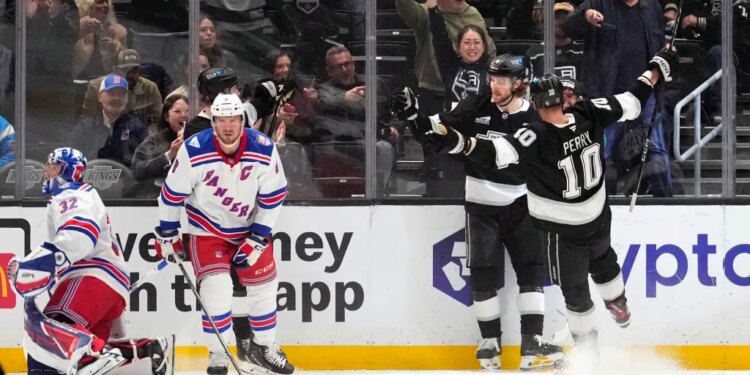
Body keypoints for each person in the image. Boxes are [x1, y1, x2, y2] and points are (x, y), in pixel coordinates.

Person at [420, 49, 677, 363]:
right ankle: (618, 303)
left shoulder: (536, 135)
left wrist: (456, 143)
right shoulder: (589, 111)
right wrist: (655, 70)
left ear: (539, 104)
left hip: (563, 229)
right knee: (604, 260)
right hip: (597, 217)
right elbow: (633, 100)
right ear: (565, 99)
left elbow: (494, 153)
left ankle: (588, 352)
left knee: (576, 294)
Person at [390, 55, 563, 371]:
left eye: (501, 81)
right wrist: (413, 116)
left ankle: (532, 344)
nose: (493, 86)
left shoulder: (536, 117)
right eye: (492, 79)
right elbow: (436, 131)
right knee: (483, 273)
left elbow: (534, 155)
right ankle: (489, 344)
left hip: (525, 204)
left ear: (519, 83)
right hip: (482, 205)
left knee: (532, 271)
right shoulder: (474, 105)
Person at [154, 93, 294, 375]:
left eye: (233, 120)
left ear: (242, 121)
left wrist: (256, 239)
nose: (228, 126)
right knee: (217, 289)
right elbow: (171, 195)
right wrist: (167, 234)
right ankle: (218, 353)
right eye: (221, 120)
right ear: (213, 122)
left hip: (250, 228)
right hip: (207, 230)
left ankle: (263, 348)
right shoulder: (195, 148)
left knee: (264, 288)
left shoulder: (263, 148)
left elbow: (273, 196)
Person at [7, 147, 171, 374]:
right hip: (101, 286)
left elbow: (80, 235)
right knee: (55, 359)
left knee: (51, 338)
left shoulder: (72, 194)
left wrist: (44, 263)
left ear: (68, 170)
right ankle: (141, 354)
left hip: (91, 278)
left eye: (53, 167)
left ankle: (99, 356)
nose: (47, 172)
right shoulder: (77, 195)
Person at [566, 0, 672, 197]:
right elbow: (569, 26)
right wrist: (585, 15)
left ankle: (667, 203)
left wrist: (667, 54)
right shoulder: (598, 3)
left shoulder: (653, 7)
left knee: (656, 151)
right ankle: (595, 202)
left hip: (646, 92)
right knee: (601, 152)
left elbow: (659, 46)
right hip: (607, 94)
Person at [316, 46, 402, 192]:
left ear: (354, 64)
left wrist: (395, 127)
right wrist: (345, 98)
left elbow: (398, 110)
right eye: (338, 67)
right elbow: (321, 103)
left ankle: (376, 194)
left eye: (347, 64)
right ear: (329, 71)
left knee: (385, 148)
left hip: (369, 141)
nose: (345, 69)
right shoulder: (323, 89)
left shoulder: (376, 83)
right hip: (336, 144)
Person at [395, 0, 496, 115]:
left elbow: (490, 52)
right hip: (432, 93)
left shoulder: (473, 13)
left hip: (471, 92)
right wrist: (433, 9)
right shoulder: (424, 13)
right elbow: (404, 5)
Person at [68, 74, 149, 167]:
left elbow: (144, 163)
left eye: (121, 94)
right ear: (100, 97)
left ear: (127, 98)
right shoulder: (85, 126)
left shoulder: (138, 127)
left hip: (125, 180)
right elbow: (71, 160)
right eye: (111, 93)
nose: (116, 98)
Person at [428, 8, 490, 111]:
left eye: (476, 42)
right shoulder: (450, 65)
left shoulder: (492, 69)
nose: (472, 47)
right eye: (467, 42)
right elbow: (440, 37)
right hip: (451, 121)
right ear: (458, 47)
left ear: (483, 46)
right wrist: (432, 9)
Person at [83, 49, 164, 126]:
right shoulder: (96, 87)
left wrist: (145, 138)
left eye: (135, 71)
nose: (130, 75)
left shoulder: (150, 88)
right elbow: (88, 120)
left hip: (140, 134)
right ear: (115, 70)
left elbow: (158, 121)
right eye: (126, 70)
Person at [131, 94, 188, 198]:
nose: (183, 115)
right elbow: (137, 172)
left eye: (187, 111)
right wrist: (169, 155)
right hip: (156, 200)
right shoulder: (153, 142)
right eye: (177, 111)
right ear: (167, 116)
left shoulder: (201, 139)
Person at [73, 0, 127, 80]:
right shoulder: (73, 27)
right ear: (87, 6)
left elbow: (127, 67)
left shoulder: (116, 32)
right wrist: (80, 29)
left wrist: (117, 52)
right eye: (100, 2)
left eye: (107, 2)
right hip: (76, 82)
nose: (105, 5)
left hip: (107, 85)